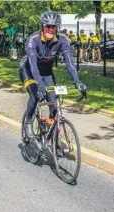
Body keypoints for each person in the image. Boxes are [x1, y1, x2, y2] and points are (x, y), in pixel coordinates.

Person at [19, 11, 86, 141]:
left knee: (53, 102)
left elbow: (70, 63)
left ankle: (53, 136)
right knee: (34, 95)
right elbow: (33, 65)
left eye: (53, 26)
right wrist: (39, 84)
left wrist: (77, 81)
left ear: (57, 27)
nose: (50, 29)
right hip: (28, 71)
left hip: (47, 73)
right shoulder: (33, 40)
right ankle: (28, 121)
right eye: (47, 26)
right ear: (42, 26)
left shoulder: (62, 40)